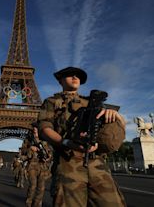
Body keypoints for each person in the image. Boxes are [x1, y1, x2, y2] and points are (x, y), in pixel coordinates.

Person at [38, 67, 126, 207]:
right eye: (69, 75)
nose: (75, 77)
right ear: (60, 80)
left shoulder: (93, 103)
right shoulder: (52, 102)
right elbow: (44, 128)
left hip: (96, 162)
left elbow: (112, 128)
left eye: (78, 76)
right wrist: (65, 142)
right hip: (68, 162)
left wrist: (115, 116)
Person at [24, 123, 52, 207]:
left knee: (41, 188)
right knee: (32, 186)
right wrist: (30, 148)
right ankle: (28, 203)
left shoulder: (45, 139)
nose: (35, 129)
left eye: (37, 127)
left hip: (43, 166)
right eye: (34, 127)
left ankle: (36, 205)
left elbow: (50, 151)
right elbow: (23, 151)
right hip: (32, 165)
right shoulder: (28, 140)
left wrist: (48, 157)